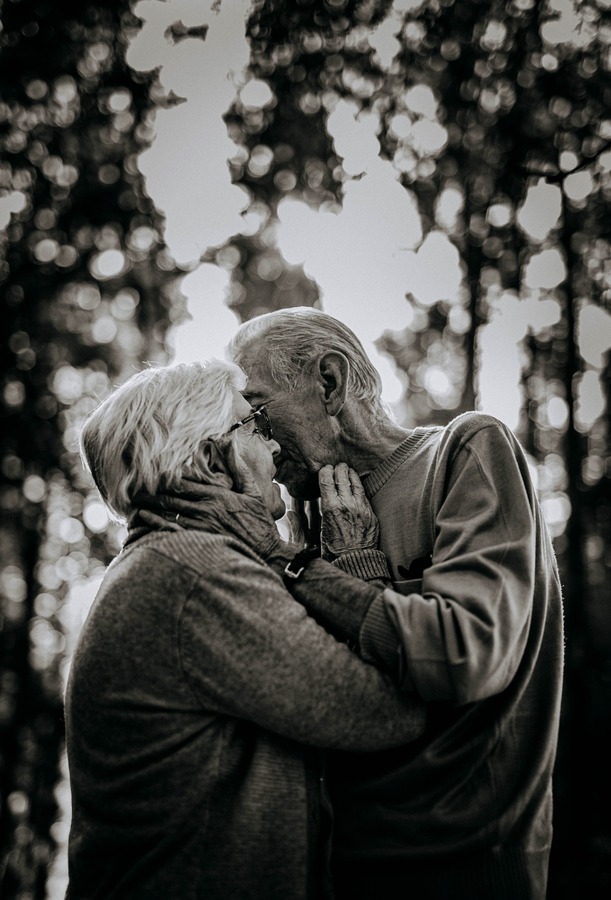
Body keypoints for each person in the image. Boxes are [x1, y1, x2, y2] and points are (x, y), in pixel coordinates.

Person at [227, 307, 565, 900]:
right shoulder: (310, 520)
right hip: (347, 874)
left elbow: (465, 653)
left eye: (255, 410)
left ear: (328, 382)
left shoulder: (466, 452)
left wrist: (330, 572)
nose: (249, 438)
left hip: (466, 876)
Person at [64, 359, 427, 900]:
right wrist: (354, 562)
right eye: (256, 424)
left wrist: (282, 557)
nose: (276, 446)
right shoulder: (197, 574)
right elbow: (385, 714)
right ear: (214, 458)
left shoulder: (167, 560)